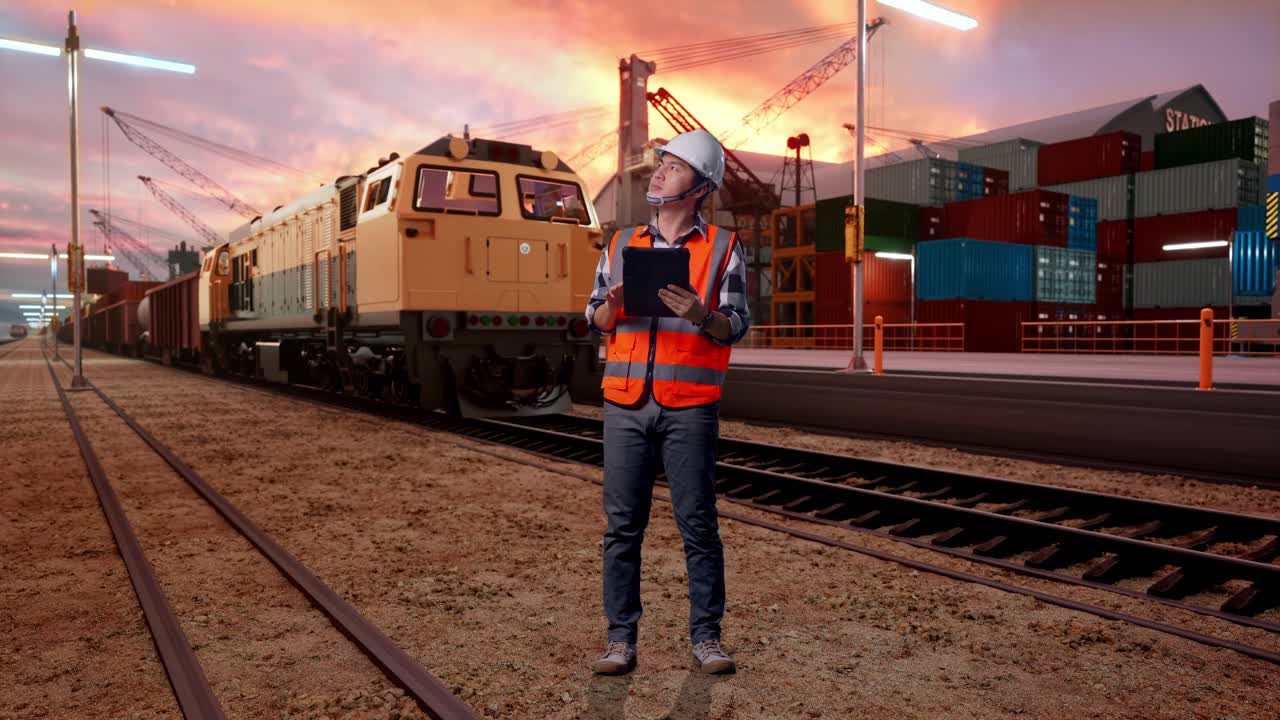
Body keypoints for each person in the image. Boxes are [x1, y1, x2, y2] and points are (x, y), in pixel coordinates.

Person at [583, 128, 750, 676]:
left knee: (698, 525)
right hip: (626, 403)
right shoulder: (620, 243)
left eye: (674, 167)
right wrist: (610, 307)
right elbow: (594, 318)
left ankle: (707, 639)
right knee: (622, 527)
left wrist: (701, 314)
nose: (658, 172)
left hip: (689, 405)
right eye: (662, 164)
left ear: (700, 186)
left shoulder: (723, 246)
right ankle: (619, 641)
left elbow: (737, 324)